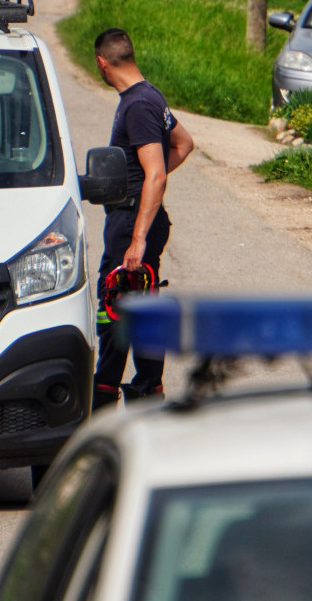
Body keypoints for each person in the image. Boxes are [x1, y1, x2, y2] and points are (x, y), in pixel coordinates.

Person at [91, 28, 194, 410]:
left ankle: (105, 392)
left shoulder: (136, 105)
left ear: (102, 63)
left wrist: (137, 237)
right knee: (141, 303)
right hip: (139, 215)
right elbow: (184, 144)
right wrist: (144, 178)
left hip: (132, 221)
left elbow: (157, 173)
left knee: (116, 304)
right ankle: (147, 388)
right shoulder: (150, 96)